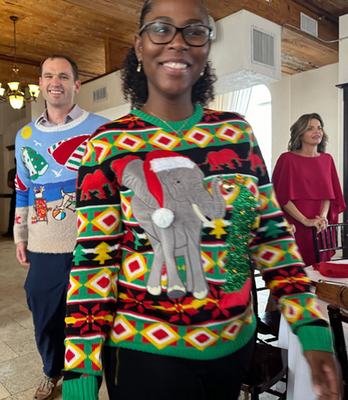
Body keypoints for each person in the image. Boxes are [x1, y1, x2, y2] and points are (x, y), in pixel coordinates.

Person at [63, 1, 340, 399]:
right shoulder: (106, 146)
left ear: (206, 47)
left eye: (194, 31)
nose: (177, 43)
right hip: (145, 352)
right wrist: (80, 372)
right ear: (139, 46)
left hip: (232, 345)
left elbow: (269, 237)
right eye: (161, 29)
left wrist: (309, 325)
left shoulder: (236, 133)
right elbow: (94, 259)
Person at [14, 54, 108, 400]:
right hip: (44, 242)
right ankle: (51, 370)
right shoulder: (25, 136)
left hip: (93, 240)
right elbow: (23, 188)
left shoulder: (100, 126)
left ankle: (82, 382)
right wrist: (20, 235)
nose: (56, 82)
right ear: (40, 84)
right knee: (41, 305)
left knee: (89, 314)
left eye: (64, 76)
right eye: (49, 75)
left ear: (77, 85)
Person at [272, 113, 346, 267]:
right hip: (295, 225)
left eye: (319, 128)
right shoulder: (287, 159)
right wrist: (305, 221)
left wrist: (322, 218)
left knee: (321, 275)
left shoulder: (327, 159)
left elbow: (328, 195)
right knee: (292, 274)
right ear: (300, 133)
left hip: (319, 227)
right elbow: (282, 197)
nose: (317, 131)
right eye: (310, 128)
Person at [2, 159, 16, 237]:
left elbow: (9, 184)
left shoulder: (11, 172)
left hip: (16, 192)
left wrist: (15, 187)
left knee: (13, 212)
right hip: (25, 193)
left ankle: (11, 231)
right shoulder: (26, 171)